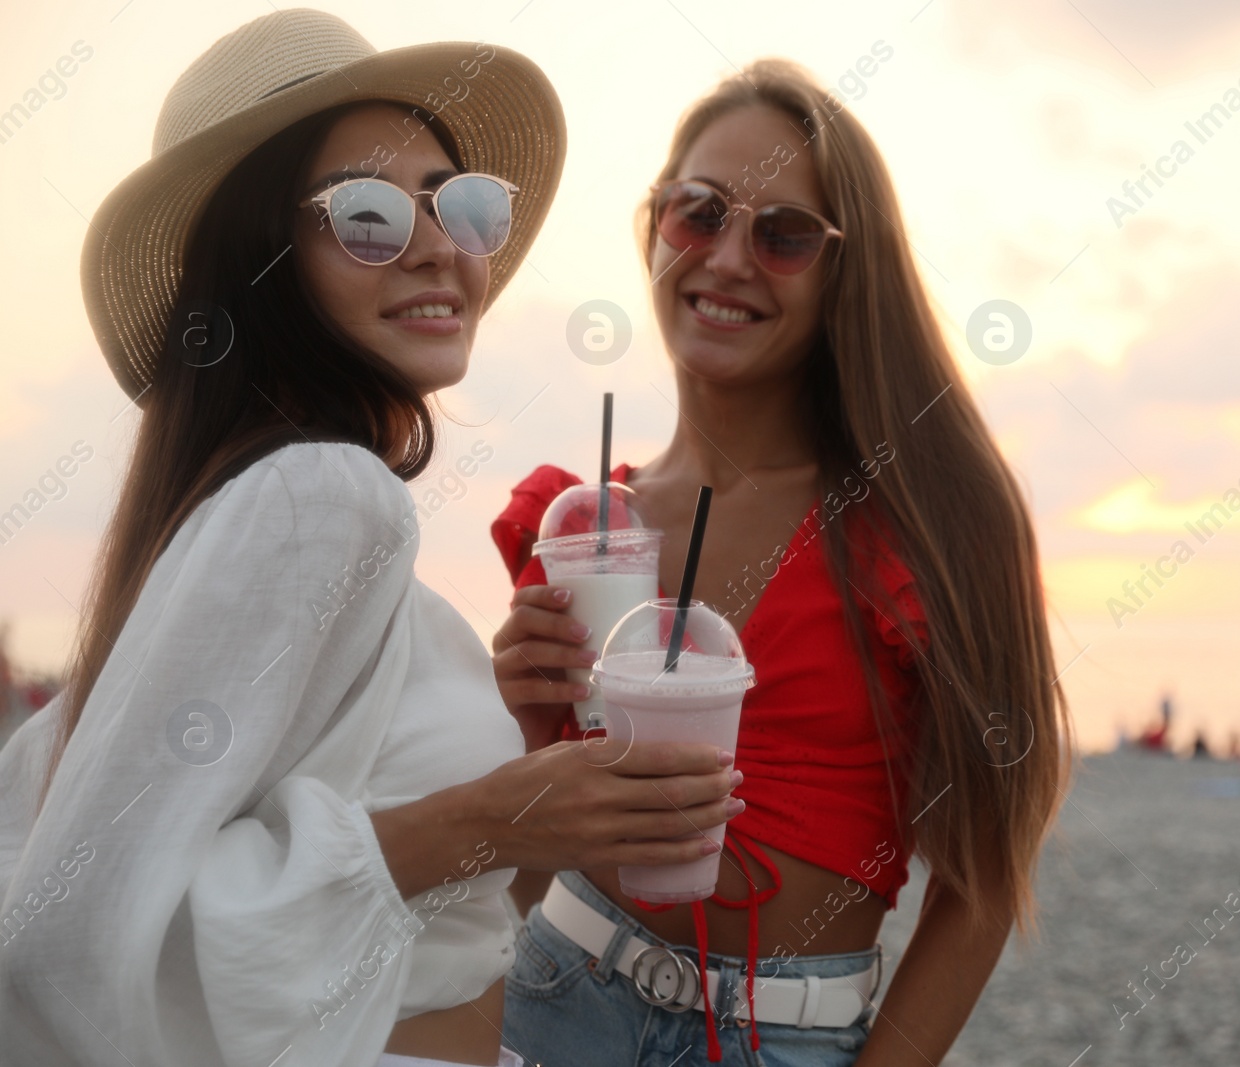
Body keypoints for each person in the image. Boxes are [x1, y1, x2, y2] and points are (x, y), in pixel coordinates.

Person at [0, 12, 737, 1067]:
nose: (440, 245)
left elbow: (414, 895)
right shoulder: (324, 495)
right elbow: (68, 940)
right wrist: (490, 816)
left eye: (462, 205)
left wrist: (515, 742)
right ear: (260, 259)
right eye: (369, 214)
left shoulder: (253, 502)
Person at [488, 59, 1069, 1066]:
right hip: (553, 998)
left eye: (785, 234)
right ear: (653, 227)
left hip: (786, 1037)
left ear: (848, 269)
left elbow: (980, 879)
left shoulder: (930, 522)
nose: (728, 258)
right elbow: (513, 864)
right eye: (699, 213)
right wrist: (517, 715)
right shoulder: (580, 524)